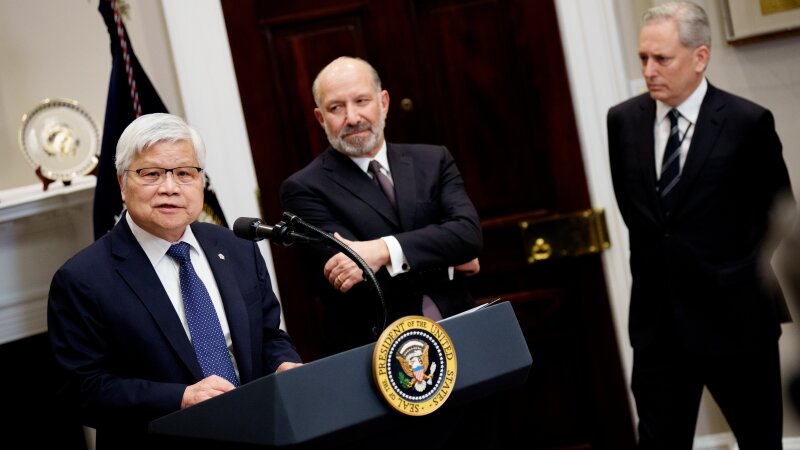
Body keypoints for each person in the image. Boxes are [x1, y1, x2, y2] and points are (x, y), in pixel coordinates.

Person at [47, 113, 303, 449]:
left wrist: (285, 364)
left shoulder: (237, 248)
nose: (170, 187)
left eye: (184, 173)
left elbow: (268, 335)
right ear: (122, 184)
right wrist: (181, 397)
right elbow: (83, 390)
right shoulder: (82, 280)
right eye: (151, 174)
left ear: (200, 181)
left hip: (259, 432)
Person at [607, 2, 793, 449]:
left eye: (662, 59)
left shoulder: (747, 122)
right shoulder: (624, 122)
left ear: (700, 57)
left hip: (736, 320)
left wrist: (730, 269)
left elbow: (777, 214)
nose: (649, 70)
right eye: (643, 59)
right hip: (657, 328)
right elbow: (638, 215)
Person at [279, 56, 482, 355]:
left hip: (462, 334)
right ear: (321, 118)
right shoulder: (303, 189)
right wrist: (446, 257)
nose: (352, 117)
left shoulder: (433, 160)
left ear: (383, 102)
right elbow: (351, 278)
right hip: (377, 354)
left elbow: (468, 237)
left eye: (361, 100)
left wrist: (381, 250)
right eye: (336, 108)